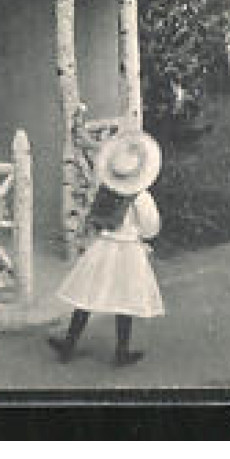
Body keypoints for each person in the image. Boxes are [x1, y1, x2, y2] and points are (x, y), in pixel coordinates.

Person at [49, 129, 164, 366]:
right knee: (126, 300)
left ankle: (69, 345)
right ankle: (121, 351)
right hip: (129, 251)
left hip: (104, 247)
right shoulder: (140, 197)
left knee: (87, 296)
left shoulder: (107, 191)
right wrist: (142, 236)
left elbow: (96, 217)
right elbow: (151, 226)